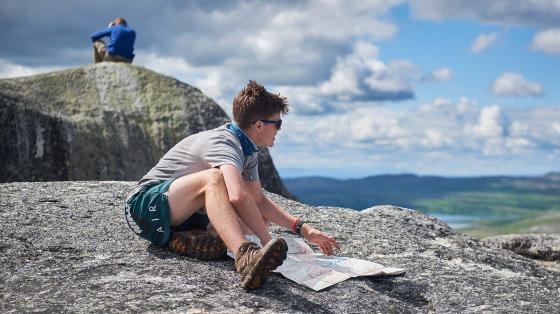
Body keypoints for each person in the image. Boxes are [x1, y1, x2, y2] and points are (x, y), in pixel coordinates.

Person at [124, 80, 340, 290]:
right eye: (278, 124)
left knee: (258, 218)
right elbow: (237, 196)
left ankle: (189, 238)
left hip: (180, 215)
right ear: (259, 125)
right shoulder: (225, 143)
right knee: (214, 178)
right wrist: (268, 246)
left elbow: (257, 200)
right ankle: (244, 257)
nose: (279, 130)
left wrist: (304, 229)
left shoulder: (248, 149)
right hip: (146, 207)